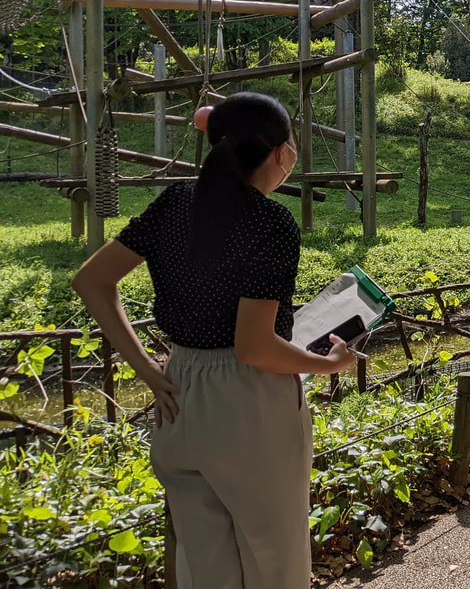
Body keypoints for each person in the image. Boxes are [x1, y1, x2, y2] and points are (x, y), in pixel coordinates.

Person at [73, 92, 356, 589]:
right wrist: (330, 364)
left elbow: (92, 281)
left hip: (178, 390)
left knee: (204, 565)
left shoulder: (177, 202)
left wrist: (147, 370)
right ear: (283, 153)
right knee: (275, 561)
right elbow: (255, 348)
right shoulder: (270, 223)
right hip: (249, 401)